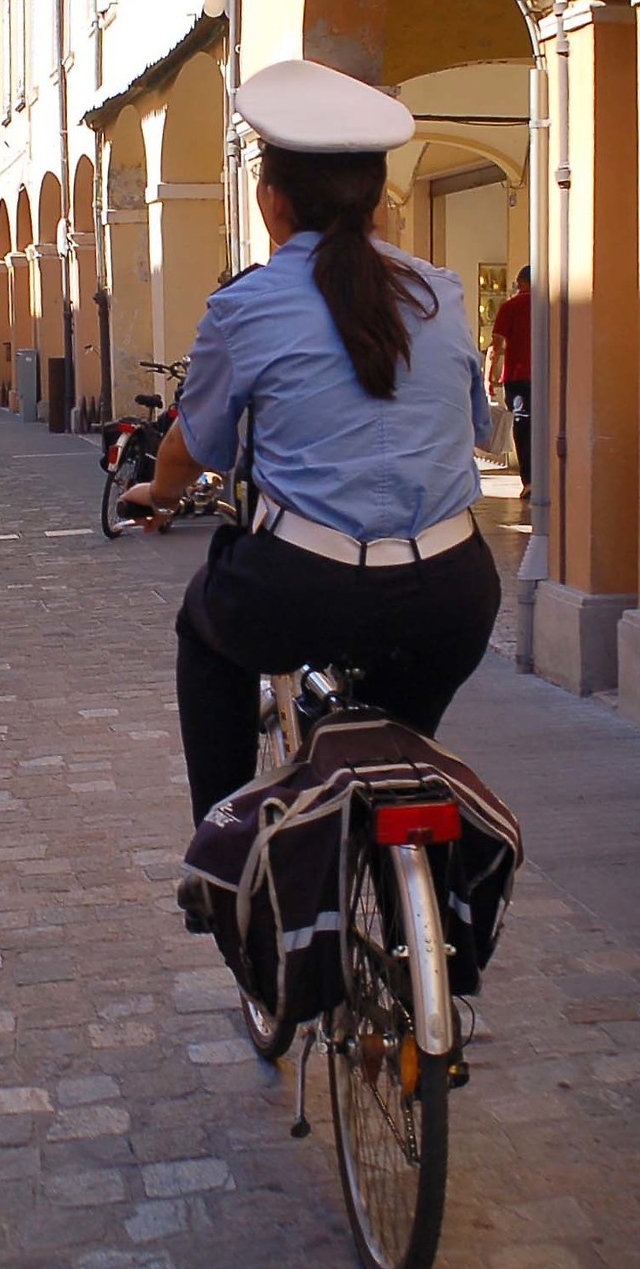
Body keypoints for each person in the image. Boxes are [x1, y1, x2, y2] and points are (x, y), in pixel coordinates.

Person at [125, 60, 501, 825]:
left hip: (306, 588)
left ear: (271, 201)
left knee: (205, 628)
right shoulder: (440, 292)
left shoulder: (246, 306)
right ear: (377, 201)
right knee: (401, 733)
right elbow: (477, 426)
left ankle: (221, 839)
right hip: (455, 593)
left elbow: (189, 448)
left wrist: (159, 499)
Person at [487, 265, 533, 498]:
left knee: (523, 426)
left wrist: (489, 377)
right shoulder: (551, 308)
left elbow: (496, 345)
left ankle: (529, 480)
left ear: (523, 282)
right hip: (547, 376)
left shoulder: (510, 307)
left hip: (517, 376)